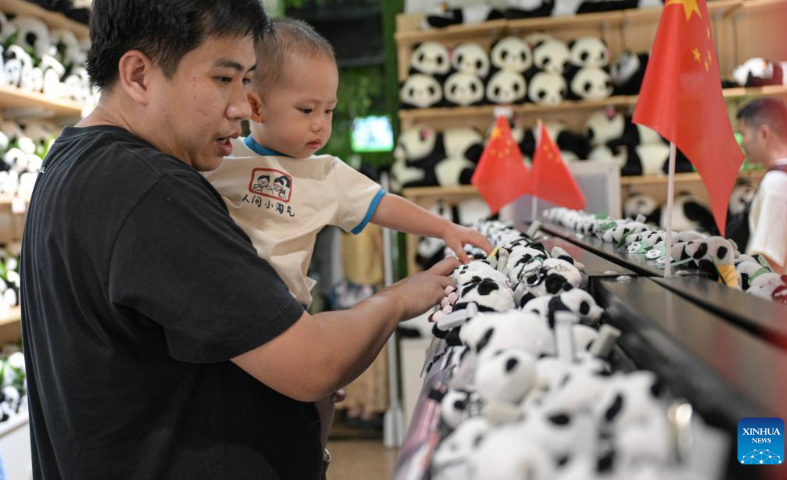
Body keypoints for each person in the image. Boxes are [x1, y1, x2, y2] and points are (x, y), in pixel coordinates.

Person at [19, 2, 457, 479]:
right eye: (223, 79)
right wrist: (397, 299)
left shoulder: (70, 159)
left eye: (247, 80)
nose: (241, 105)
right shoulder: (150, 186)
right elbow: (313, 363)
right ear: (139, 75)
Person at [203, 18, 492, 454]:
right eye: (307, 110)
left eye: (329, 110)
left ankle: (316, 456)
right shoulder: (221, 160)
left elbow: (383, 204)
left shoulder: (327, 173)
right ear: (256, 107)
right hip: (224, 314)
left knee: (317, 398)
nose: (321, 125)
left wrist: (444, 227)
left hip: (287, 315)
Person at [736, 97, 787, 281]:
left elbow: (767, 264)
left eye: (744, 134)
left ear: (764, 133)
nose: (742, 143)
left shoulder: (775, 185)